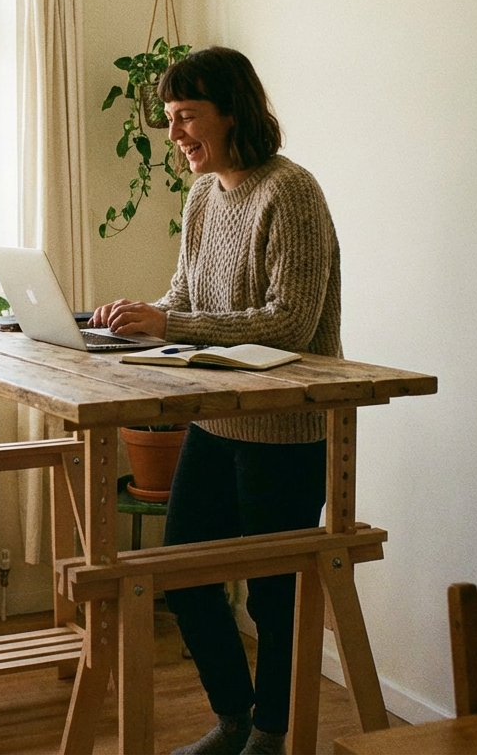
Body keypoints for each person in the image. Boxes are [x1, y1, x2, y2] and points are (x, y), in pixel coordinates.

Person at [91, 46, 342, 755]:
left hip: (285, 426)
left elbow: (289, 322)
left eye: (187, 118)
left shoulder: (289, 191)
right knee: (184, 575)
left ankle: (271, 732)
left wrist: (172, 323)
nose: (174, 136)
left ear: (234, 114)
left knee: (273, 593)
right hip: (215, 415)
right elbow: (186, 299)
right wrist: (139, 316)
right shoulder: (203, 195)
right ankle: (234, 719)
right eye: (170, 120)